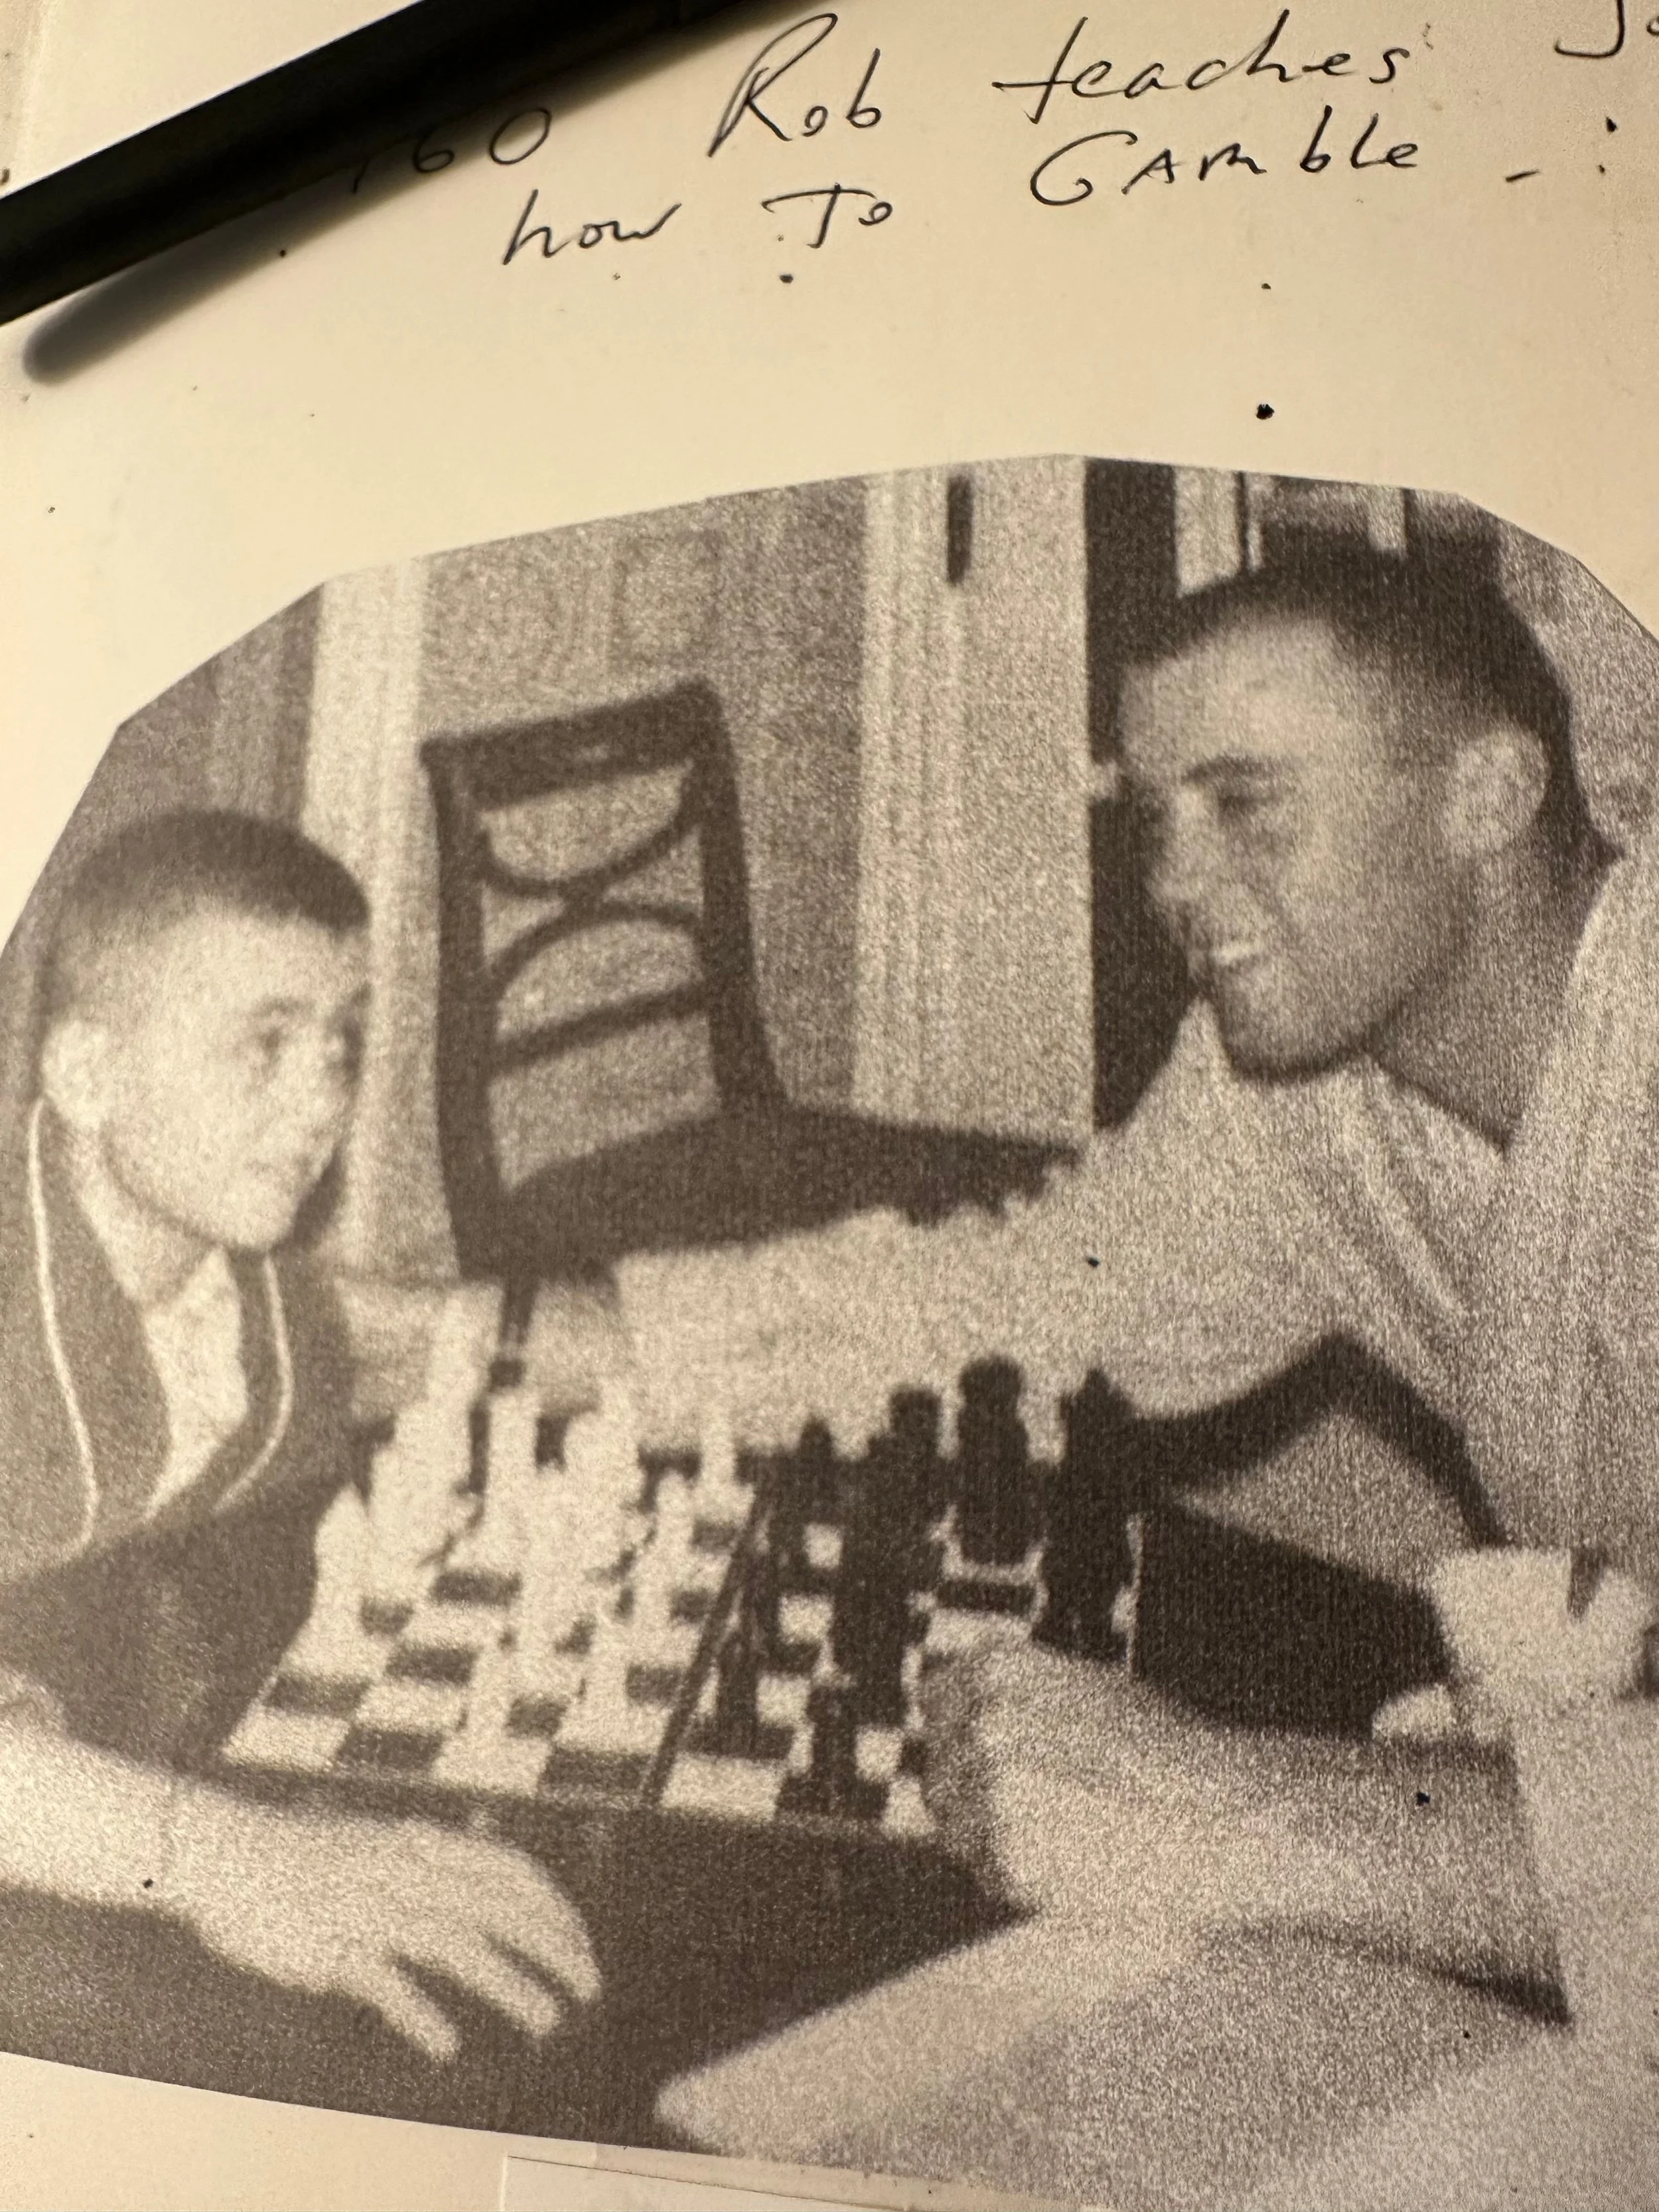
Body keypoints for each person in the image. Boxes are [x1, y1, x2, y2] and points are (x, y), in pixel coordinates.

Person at [0, 808, 611, 2093]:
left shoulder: (254, 1296)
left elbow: (399, 1338)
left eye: (338, 1046)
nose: (319, 1103)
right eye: (264, 1047)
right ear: (90, 1077)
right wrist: (237, 1863)